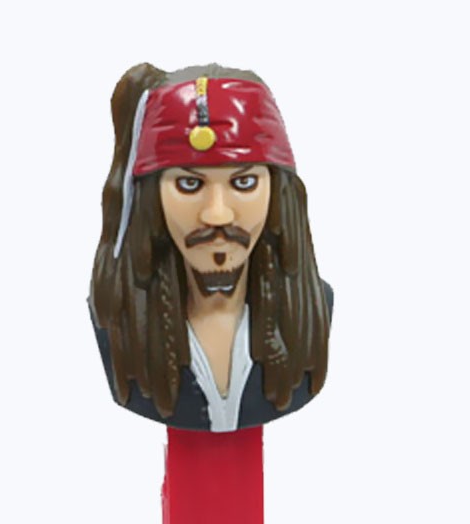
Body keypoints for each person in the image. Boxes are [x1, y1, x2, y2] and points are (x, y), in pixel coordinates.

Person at [89, 63, 333, 432]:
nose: (217, 214)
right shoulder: (116, 326)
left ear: (277, 193)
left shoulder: (316, 313)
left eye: (244, 183)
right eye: (189, 185)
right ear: (152, 199)